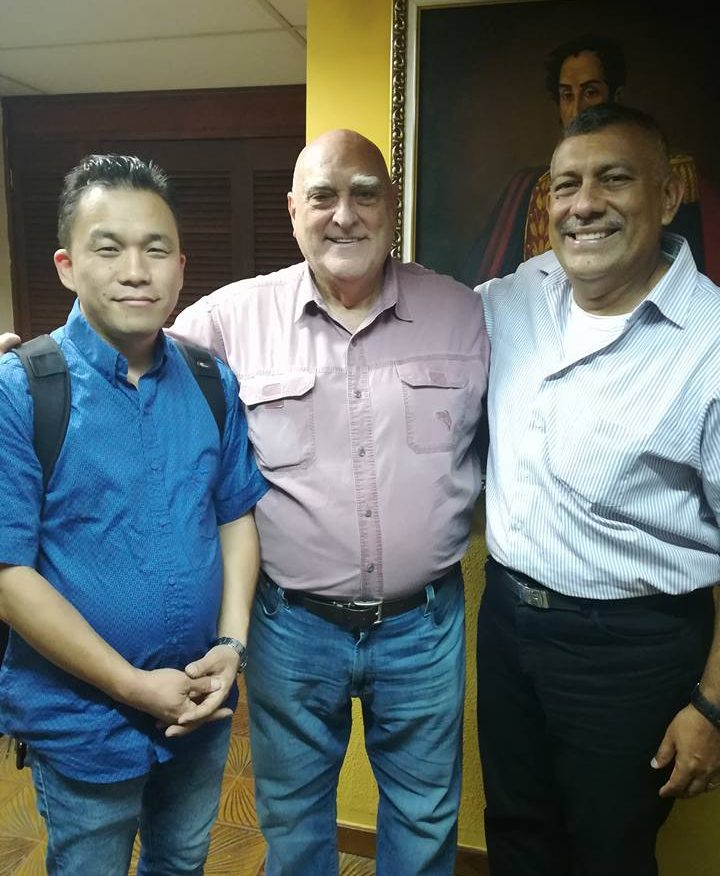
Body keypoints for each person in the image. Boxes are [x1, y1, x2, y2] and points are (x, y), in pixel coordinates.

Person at [167, 129, 489, 876]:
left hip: (424, 626)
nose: (344, 215)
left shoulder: (463, 314)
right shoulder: (230, 320)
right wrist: (28, 369)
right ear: (293, 212)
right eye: (322, 196)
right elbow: (125, 363)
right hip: (292, 628)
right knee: (293, 820)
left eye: (364, 194)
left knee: (425, 817)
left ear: (391, 208)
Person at [0, 154, 267, 876]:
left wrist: (232, 644)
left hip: (200, 706)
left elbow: (235, 518)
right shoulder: (23, 390)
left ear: (181, 268)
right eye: (108, 248)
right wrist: (133, 685)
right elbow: (8, 577)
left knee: (182, 862)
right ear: (66, 266)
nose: (135, 271)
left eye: (155, 250)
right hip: (82, 722)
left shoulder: (211, 380)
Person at [475, 103, 720, 876]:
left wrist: (713, 705)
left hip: (634, 650)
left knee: (609, 853)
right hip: (507, 621)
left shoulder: (712, 343)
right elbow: (406, 317)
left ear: (667, 194)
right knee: (516, 831)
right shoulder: (518, 294)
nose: (584, 204)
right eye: (566, 185)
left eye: (613, 180)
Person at [461, 33, 710, 285]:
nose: (577, 108)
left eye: (590, 92)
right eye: (567, 95)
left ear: (616, 96)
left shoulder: (674, 171)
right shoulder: (530, 187)